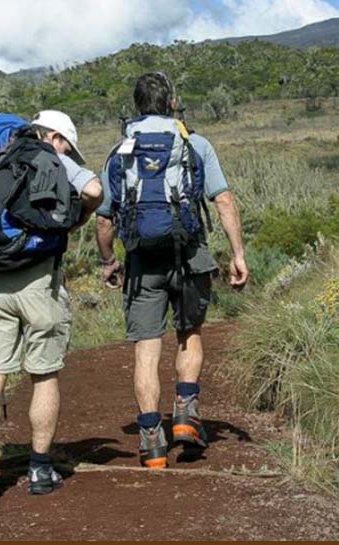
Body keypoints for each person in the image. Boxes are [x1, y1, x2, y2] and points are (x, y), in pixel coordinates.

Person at [95, 72, 249, 468]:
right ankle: (184, 413)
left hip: (143, 262)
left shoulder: (121, 150)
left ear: (136, 105)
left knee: (147, 350)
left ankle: (151, 442)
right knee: (189, 333)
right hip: (190, 254)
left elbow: (104, 221)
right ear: (172, 103)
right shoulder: (194, 143)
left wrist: (110, 261)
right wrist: (238, 254)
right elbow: (225, 200)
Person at [0, 110, 103, 504]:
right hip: (40, 281)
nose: (65, 152)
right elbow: (94, 191)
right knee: (44, 375)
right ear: (54, 135)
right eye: (66, 144)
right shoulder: (51, 157)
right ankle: (40, 469)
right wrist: (74, 220)